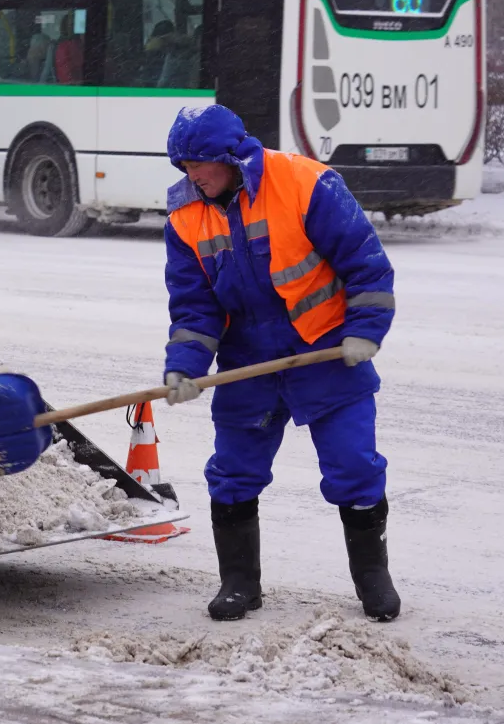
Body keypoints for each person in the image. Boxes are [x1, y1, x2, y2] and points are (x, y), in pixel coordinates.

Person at [160, 104, 399, 623]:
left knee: (354, 466)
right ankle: (240, 584)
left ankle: (373, 580)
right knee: (233, 473)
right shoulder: (184, 218)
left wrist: (364, 333)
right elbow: (195, 306)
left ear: (229, 155)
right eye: (183, 166)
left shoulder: (305, 183)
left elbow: (367, 264)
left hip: (326, 351)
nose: (192, 175)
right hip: (250, 362)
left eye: (199, 163)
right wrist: (185, 365)